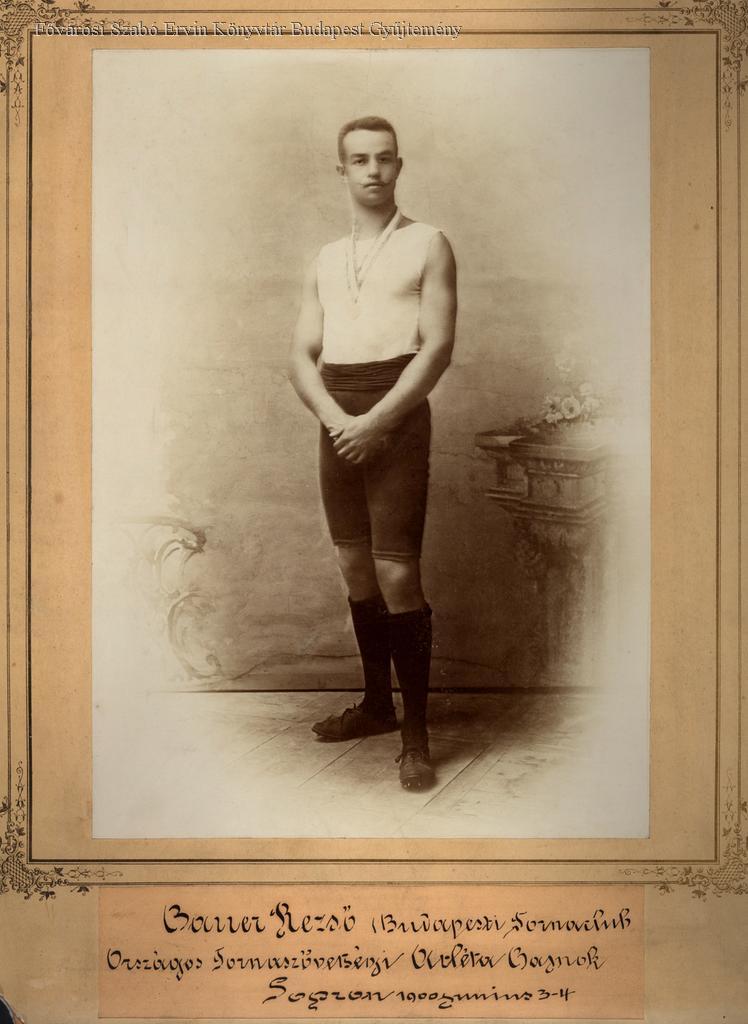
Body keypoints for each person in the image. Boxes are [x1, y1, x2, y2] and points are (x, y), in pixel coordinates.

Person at [288, 115, 457, 790]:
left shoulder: (428, 243)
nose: (373, 170)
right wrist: (338, 420)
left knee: (396, 574)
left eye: (384, 158)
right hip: (339, 416)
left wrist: (379, 422)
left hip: (398, 413)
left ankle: (415, 736)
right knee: (354, 565)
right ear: (342, 170)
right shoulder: (327, 258)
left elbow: (436, 348)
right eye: (359, 160)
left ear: (398, 166)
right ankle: (377, 706)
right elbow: (301, 356)